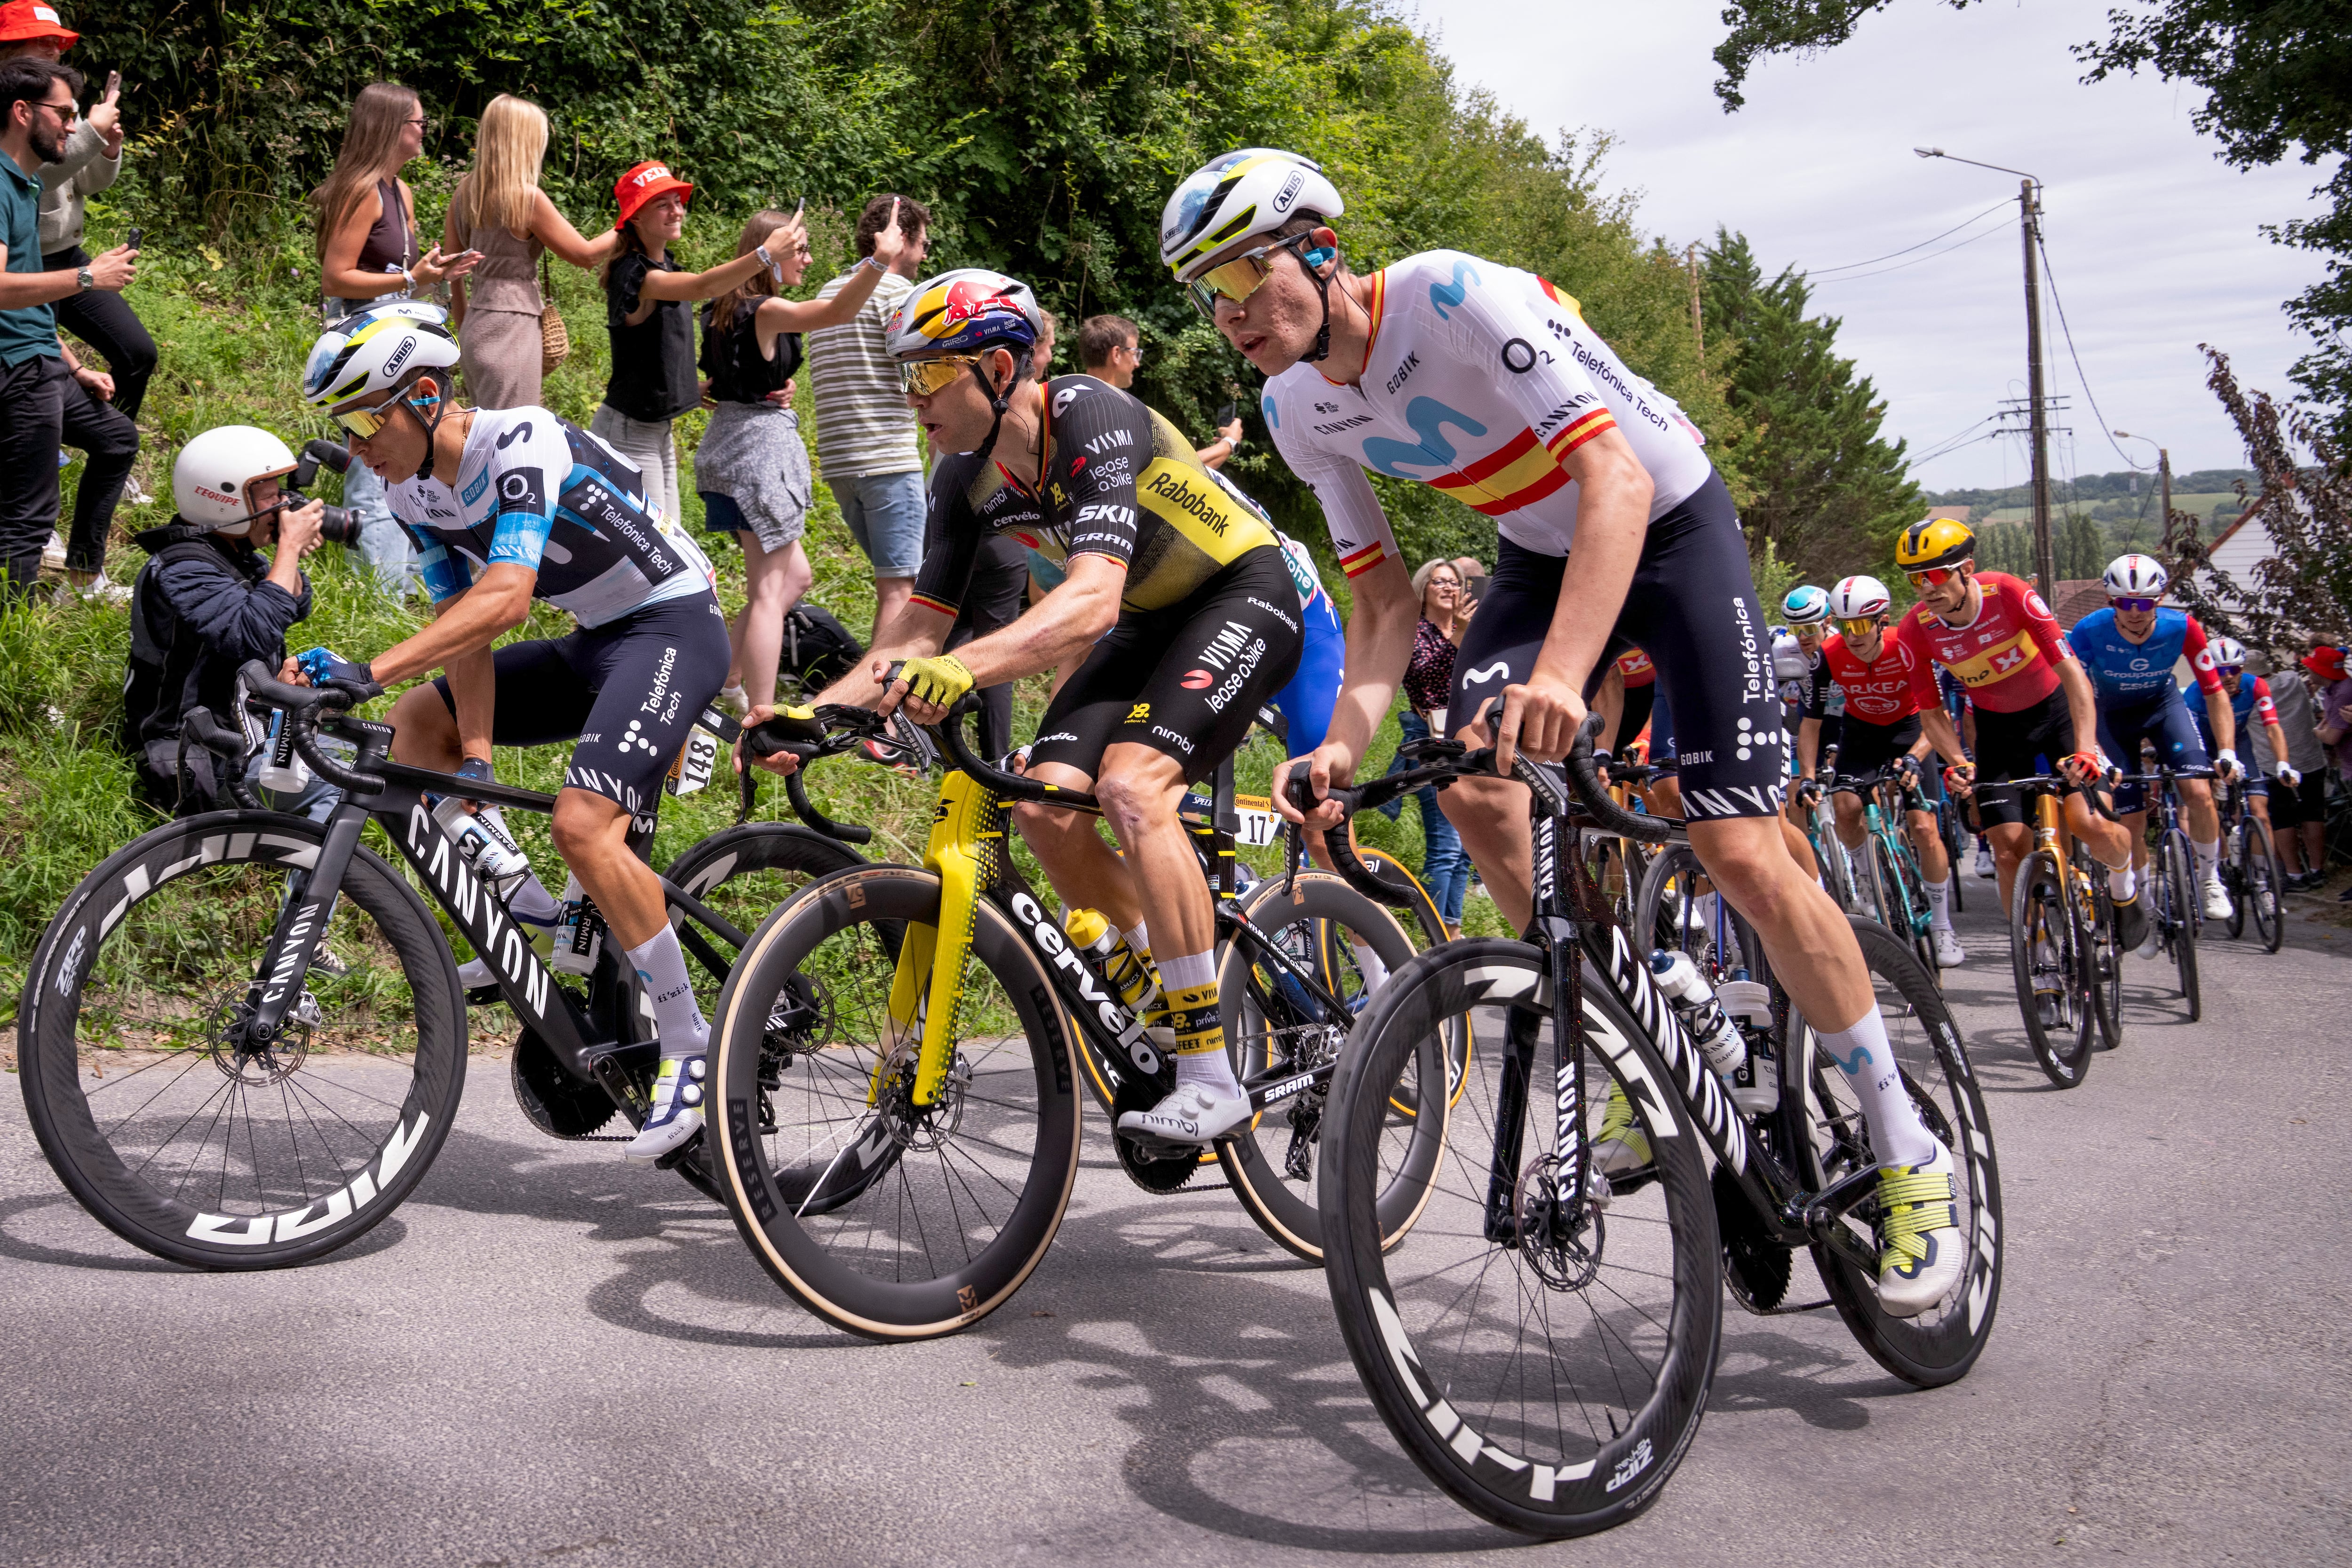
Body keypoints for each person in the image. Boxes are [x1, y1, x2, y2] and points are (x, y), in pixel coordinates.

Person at [1170, 147, 1961, 1314]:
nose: (1230, 315)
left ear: (1321, 250)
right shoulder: (1297, 408)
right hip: (1541, 558)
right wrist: (1341, 744)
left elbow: (1618, 486)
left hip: (1670, 524)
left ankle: (1907, 1149)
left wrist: (1561, 677)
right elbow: (1385, 603)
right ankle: (1648, 1021)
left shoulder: (1451, 296)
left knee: (1738, 847)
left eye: (1245, 278)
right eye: (1209, 294)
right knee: (1471, 788)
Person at [754, 268, 1303, 1146]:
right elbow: (914, 634)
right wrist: (814, 713)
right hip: (1147, 622)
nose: (911, 395)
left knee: (1130, 788)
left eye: (929, 374)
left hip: (1240, 592)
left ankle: (1209, 1070)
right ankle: (1158, 975)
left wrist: (965, 671)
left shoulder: (1087, 413)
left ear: (1000, 368)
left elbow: (1088, 601)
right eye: (906, 375)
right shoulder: (961, 478)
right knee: (1047, 808)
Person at [301, 305, 730, 1164]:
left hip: (672, 626)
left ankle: (692, 1044)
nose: (355, 444)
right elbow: (466, 625)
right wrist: (480, 763)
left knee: (582, 824)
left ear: (425, 397)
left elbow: (506, 594)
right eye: (340, 424)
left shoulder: (519, 441)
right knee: (418, 727)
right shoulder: (407, 488)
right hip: (594, 640)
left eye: (363, 417)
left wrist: (370, 665)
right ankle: (523, 907)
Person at [697, 205, 910, 718]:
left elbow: (718, 381)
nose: (808, 261)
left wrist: (759, 388)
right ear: (769, 256)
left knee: (793, 578)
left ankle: (725, 678)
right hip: (758, 459)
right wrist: (878, 263)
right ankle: (761, 715)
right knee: (770, 590)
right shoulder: (765, 310)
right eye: (801, 251)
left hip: (729, 449)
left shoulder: (721, 310)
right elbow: (835, 313)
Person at [1890, 518, 2138, 944]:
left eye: (1933, 574)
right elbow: (1931, 713)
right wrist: (1960, 762)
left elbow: (2073, 674)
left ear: (1965, 569)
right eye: (1916, 579)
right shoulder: (1916, 629)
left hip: (2056, 714)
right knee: (2007, 848)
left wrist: (2085, 748)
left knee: (2087, 823)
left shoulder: (2008, 592)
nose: (1926, 588)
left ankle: (2124, 886)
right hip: (1999, 731)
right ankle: (2037, 955)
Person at [313, 81, 477, 591]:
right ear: (392, 128)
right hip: (365, 343)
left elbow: (405, 269)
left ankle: (409, 582)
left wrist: (434, 271)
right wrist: (412, 280)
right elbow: (335, 277)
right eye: (419, 123)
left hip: (400, 337)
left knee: (408, 454)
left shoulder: (398, 190)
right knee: (372, 463)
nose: (425, 132)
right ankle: (375, 592)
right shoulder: (362, 191)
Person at [127, 426, 332, 815]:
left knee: (379, 757)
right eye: (270, 495)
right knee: (339, 788)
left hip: (249, 729)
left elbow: (296, 605)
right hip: (202, 749)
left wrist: (287, 556)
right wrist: (288, 547)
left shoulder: (232, 554)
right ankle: (311, 876)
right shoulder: (183, 568)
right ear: (224, 501)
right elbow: (251, 634)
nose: (282, 504)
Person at [591, 162, 796, 533]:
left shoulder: (663, 265)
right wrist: (764, 255)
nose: (677, 211)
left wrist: (695, 389)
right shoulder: (637, 275)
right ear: (635, 217)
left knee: (668, 540)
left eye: (678, 201)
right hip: (629, 431)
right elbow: (704, 287)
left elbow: (661, 352)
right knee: (653, 546)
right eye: (662, 205)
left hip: (654, 429)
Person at [3, 5, 156, 499]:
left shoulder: (54, 106)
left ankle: (109, 447)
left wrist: (105, 146)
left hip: (68, 257)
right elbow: (31, 176)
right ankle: (46, 457)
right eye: (41, 41)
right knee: (32, 379)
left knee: (136, 354)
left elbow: (83, 178)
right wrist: (86, 131)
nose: (54, 50)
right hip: (30, 268)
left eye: (59, 43)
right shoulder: (17, 108)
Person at [0, 55, 135, 604]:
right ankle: (17, 638)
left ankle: (81, 578)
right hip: (16, 369)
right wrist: (86, 276)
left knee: (117, 439)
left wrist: (75, 367)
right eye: (66, 113)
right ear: (22, 111)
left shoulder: (24, 183)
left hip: (43, 360)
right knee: (29, 517)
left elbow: (25, 287)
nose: (75, 126)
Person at [1796, 576, 1967, 966]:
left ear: (1881, 621)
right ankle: (1865, 880)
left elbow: (1937, 716)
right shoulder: (1829, 655)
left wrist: (1917, 754)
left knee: (1923, 826)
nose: (1851, 636)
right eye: (1843, 625)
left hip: (1913, 732)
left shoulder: (1905, 647)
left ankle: (1941, 926)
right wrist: (1807, 775)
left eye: (1860, 625)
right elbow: (1811, 722)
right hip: (1862, 734)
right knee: (1845, 808)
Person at [2066, 553, 2238, 927]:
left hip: (2163, 707)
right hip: (2110, 718)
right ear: (2112, 602)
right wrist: (2092, 750)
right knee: (2132, 822)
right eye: (2125, 603)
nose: (2135, 612)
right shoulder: (2088, 631)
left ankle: (2210, 879)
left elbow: (2214, 692)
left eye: (2144, 603)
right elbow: (2075, 694)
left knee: (2200, 791)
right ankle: (2140, 900)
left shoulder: (2184, 627)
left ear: (2159, 599)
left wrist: (2226, 750)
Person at [806, 193, 931, 647]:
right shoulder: (901, 295)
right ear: (901, 240)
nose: (924, 254)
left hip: (841, 465)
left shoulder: (826, 294)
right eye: (922, 243)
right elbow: (920, 377)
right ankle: (871, 708)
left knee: (892, 583)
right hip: (889, 461)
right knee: (899, 589)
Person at [443, 94, 620, 410]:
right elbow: (587, 255)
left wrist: (465, 324)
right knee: (514, 442)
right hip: (514, 325)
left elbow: (452, 271)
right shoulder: (525, 197)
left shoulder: (465, 192)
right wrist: (630, 222)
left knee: (485, 435)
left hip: (475, 326)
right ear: (525, 142)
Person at [1379, 558, 1471, 937]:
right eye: (1440, 582)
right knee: (1446, 844)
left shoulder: (1472, 629)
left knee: (1467, 848)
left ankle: (1452, 929)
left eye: (1455, 582)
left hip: (1471, 740)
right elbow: (1421, 669)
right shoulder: (1416, 632)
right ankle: (1431, 933)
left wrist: (1468, 633)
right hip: (1434, 742)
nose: (1449, 588)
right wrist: (1459, 638)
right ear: (1424, 589)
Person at [1079, 311, 1245, 467]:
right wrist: (1229, 443)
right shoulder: (1115, 411)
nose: (1137, 364)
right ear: (1116, 354)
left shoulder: (1075, 402)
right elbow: (1175, 474)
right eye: (1135, 353)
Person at [2199, 636, 2297, 871]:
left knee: (2260, 812)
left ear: (2242, 668)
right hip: (2205, 746)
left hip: (2240, 744)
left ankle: (2264, 881)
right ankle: (2218, 868)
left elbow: (2273, 728)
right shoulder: (2196, 693)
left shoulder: (2256, 686)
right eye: (2221, 671)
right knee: (2208, 808)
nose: (2229, 676)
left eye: (2234, 669)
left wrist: (2283, 764)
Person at [2255, 650, 2331, 887]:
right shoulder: (2293, 680)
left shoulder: (2248, 694)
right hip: (2310, 759)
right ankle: (2318, 870)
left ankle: (2294, 874)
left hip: (2273, 763)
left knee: (2282, 819)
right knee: (2313, 813)